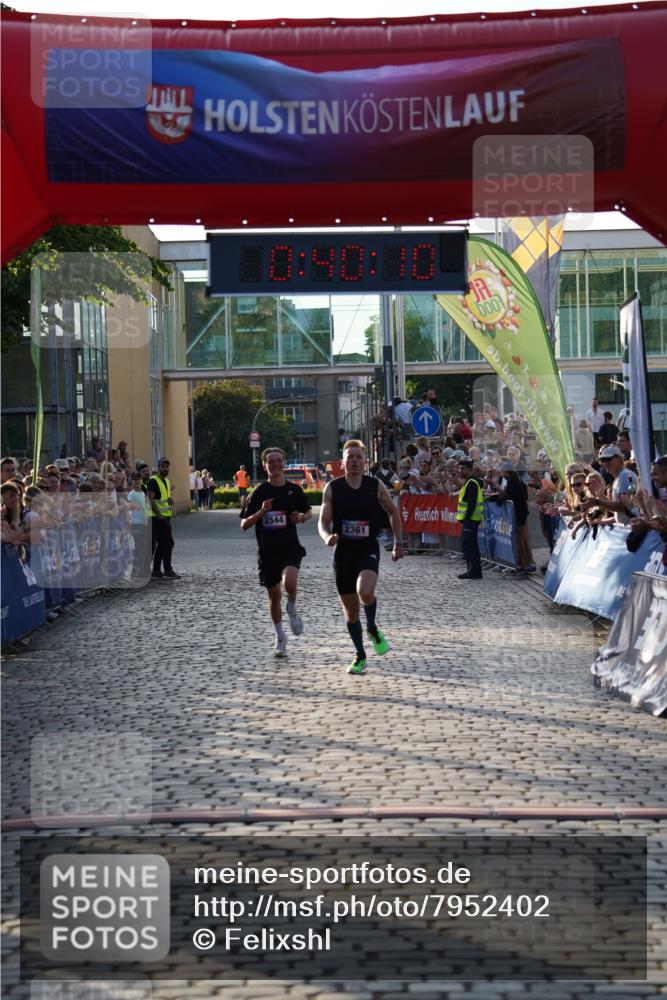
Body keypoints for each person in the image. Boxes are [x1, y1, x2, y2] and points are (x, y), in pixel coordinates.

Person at [318, 439, 403, 675]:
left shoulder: (374, 485)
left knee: (365, 591)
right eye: (350, 457)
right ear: (343, 462)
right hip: (343, 554)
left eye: (358, 457)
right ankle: (360, 655)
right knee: (351, 611)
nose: (354, 461)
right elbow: (323, 521)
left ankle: (373, 627)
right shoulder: (333, 488)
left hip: (367, 549)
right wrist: (326, 537)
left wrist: (398, 543)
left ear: (364, 462)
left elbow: (393, 511)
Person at [240, 447, 312, 657]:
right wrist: (262, 512)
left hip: (290, 547)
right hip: (267, 551)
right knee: (273, 596)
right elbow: (244, 524)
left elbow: (307, 512)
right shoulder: (259, 492)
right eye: (271, 462)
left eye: (278, 460)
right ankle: (280, 637)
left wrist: (301, 518)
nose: (275, 464)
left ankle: (292, 607)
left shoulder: (294, 490)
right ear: (265, 466)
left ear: (284, 463)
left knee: (289, 583)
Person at [146, 457, 180, 579]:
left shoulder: (166, 481)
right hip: (157, 518)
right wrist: (159, 515)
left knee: (162, 544)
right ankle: (167, 569)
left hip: (165, 516)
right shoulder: (153, 481)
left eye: (166, 466)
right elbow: (150, 499)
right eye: (162, 466)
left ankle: (156, 570)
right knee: (168, 543)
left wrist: (169, 500)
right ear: (158, 468)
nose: (165, 469)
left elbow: (163, 498)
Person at [456, 458, 484, 579]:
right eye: (459, 468)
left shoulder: (471, 482)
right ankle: (473, 570)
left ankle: (473, 571)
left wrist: (466, 518)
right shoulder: (470, 481)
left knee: (468, 546)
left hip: (471, 519)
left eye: (463, 469)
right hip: (472, 519)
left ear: (470, 469)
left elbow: (472, 503)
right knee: (471, 546)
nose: (460, 471)